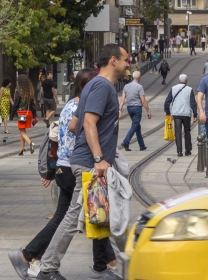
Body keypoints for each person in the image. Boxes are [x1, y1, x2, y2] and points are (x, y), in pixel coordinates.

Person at [36, 44, 128, 280]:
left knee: (102, 215)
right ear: (114, 61)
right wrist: (98, 157)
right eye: (126, 59)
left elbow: (75, 124)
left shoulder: (95, 86)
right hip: (90, 163)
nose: (130, 63)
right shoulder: (102, 86)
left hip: (88, 160)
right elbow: (87, 124)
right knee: (77, 217)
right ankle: (47, 268)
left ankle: (102, 268)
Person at [9, 69, 111, 280]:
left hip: (64, 168)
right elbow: (79, 138)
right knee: (95, 213)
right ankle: (105, 265)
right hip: (76, 167)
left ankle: (27, 254)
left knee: (69, 217)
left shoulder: (71, 106)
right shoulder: (81, 108)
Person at [165, 73, 196, 157]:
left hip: (176, 113)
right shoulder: (189, 89)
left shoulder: (173, 88)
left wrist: (167, 111)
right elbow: (193, 103)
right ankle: (188, 150)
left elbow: (167, 101)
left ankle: (179, 151)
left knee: (178, 132)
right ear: (186, 81)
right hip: (186, 113)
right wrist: (195, 114)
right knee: (187, 131)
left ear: (179, 80)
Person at [119, 69, 150, 151]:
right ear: (139, 77)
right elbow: (143, 100)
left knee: (137, 126)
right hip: (137, 108)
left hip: (129, 108)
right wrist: (148, 111)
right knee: (135, 125)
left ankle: (142, 145)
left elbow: (122, 99)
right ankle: (126, 141)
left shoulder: (126, 86)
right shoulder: (139, 87)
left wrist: (120, 110)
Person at [14, 74, 37, 156]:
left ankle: (30, 143)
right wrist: (35, 115)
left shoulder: (19, 91)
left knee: (22, 131)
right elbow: (33, 105)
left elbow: (16, 103)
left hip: (21, 113)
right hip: (28, 113)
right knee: (23, 130)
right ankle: (22, 149)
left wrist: (12, 114)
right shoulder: (30, 91)